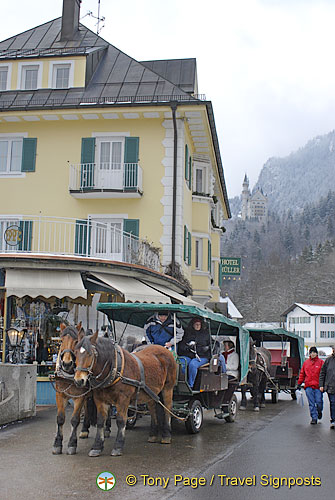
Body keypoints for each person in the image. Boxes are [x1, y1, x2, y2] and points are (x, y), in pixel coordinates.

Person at [177, 318, 211, 388]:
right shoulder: (187, 334)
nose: (198, 326)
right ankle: (182, 382)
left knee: (193, 364)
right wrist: (188, 347)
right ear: (193, 325)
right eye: (196, 324)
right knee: (180, 363)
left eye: (199, 324)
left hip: (202, 356)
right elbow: (181, 345)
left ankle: (190, 385)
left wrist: (206, 348)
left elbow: (213, 344)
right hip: (189, 355)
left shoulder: (206, 334)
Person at [297, 346, 324, 424]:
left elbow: (324, 374)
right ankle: (314, 418)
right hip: (308, 386)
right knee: (311, 403)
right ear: (309, 354)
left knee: (319, 402)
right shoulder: (306, 363)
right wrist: (299, 383)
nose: (313, 354)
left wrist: (324, 384)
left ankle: (319, 411)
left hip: (318, 386)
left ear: (316, 353)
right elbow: (302, 374)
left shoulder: (321, 363)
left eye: (314, 352)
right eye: (311, 352)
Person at [319, 344, 335, 429]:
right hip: (330, 386)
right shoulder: (328, 360)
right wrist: (321, 385)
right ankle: (333, 420)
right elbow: (323, 373)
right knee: (333, 403)